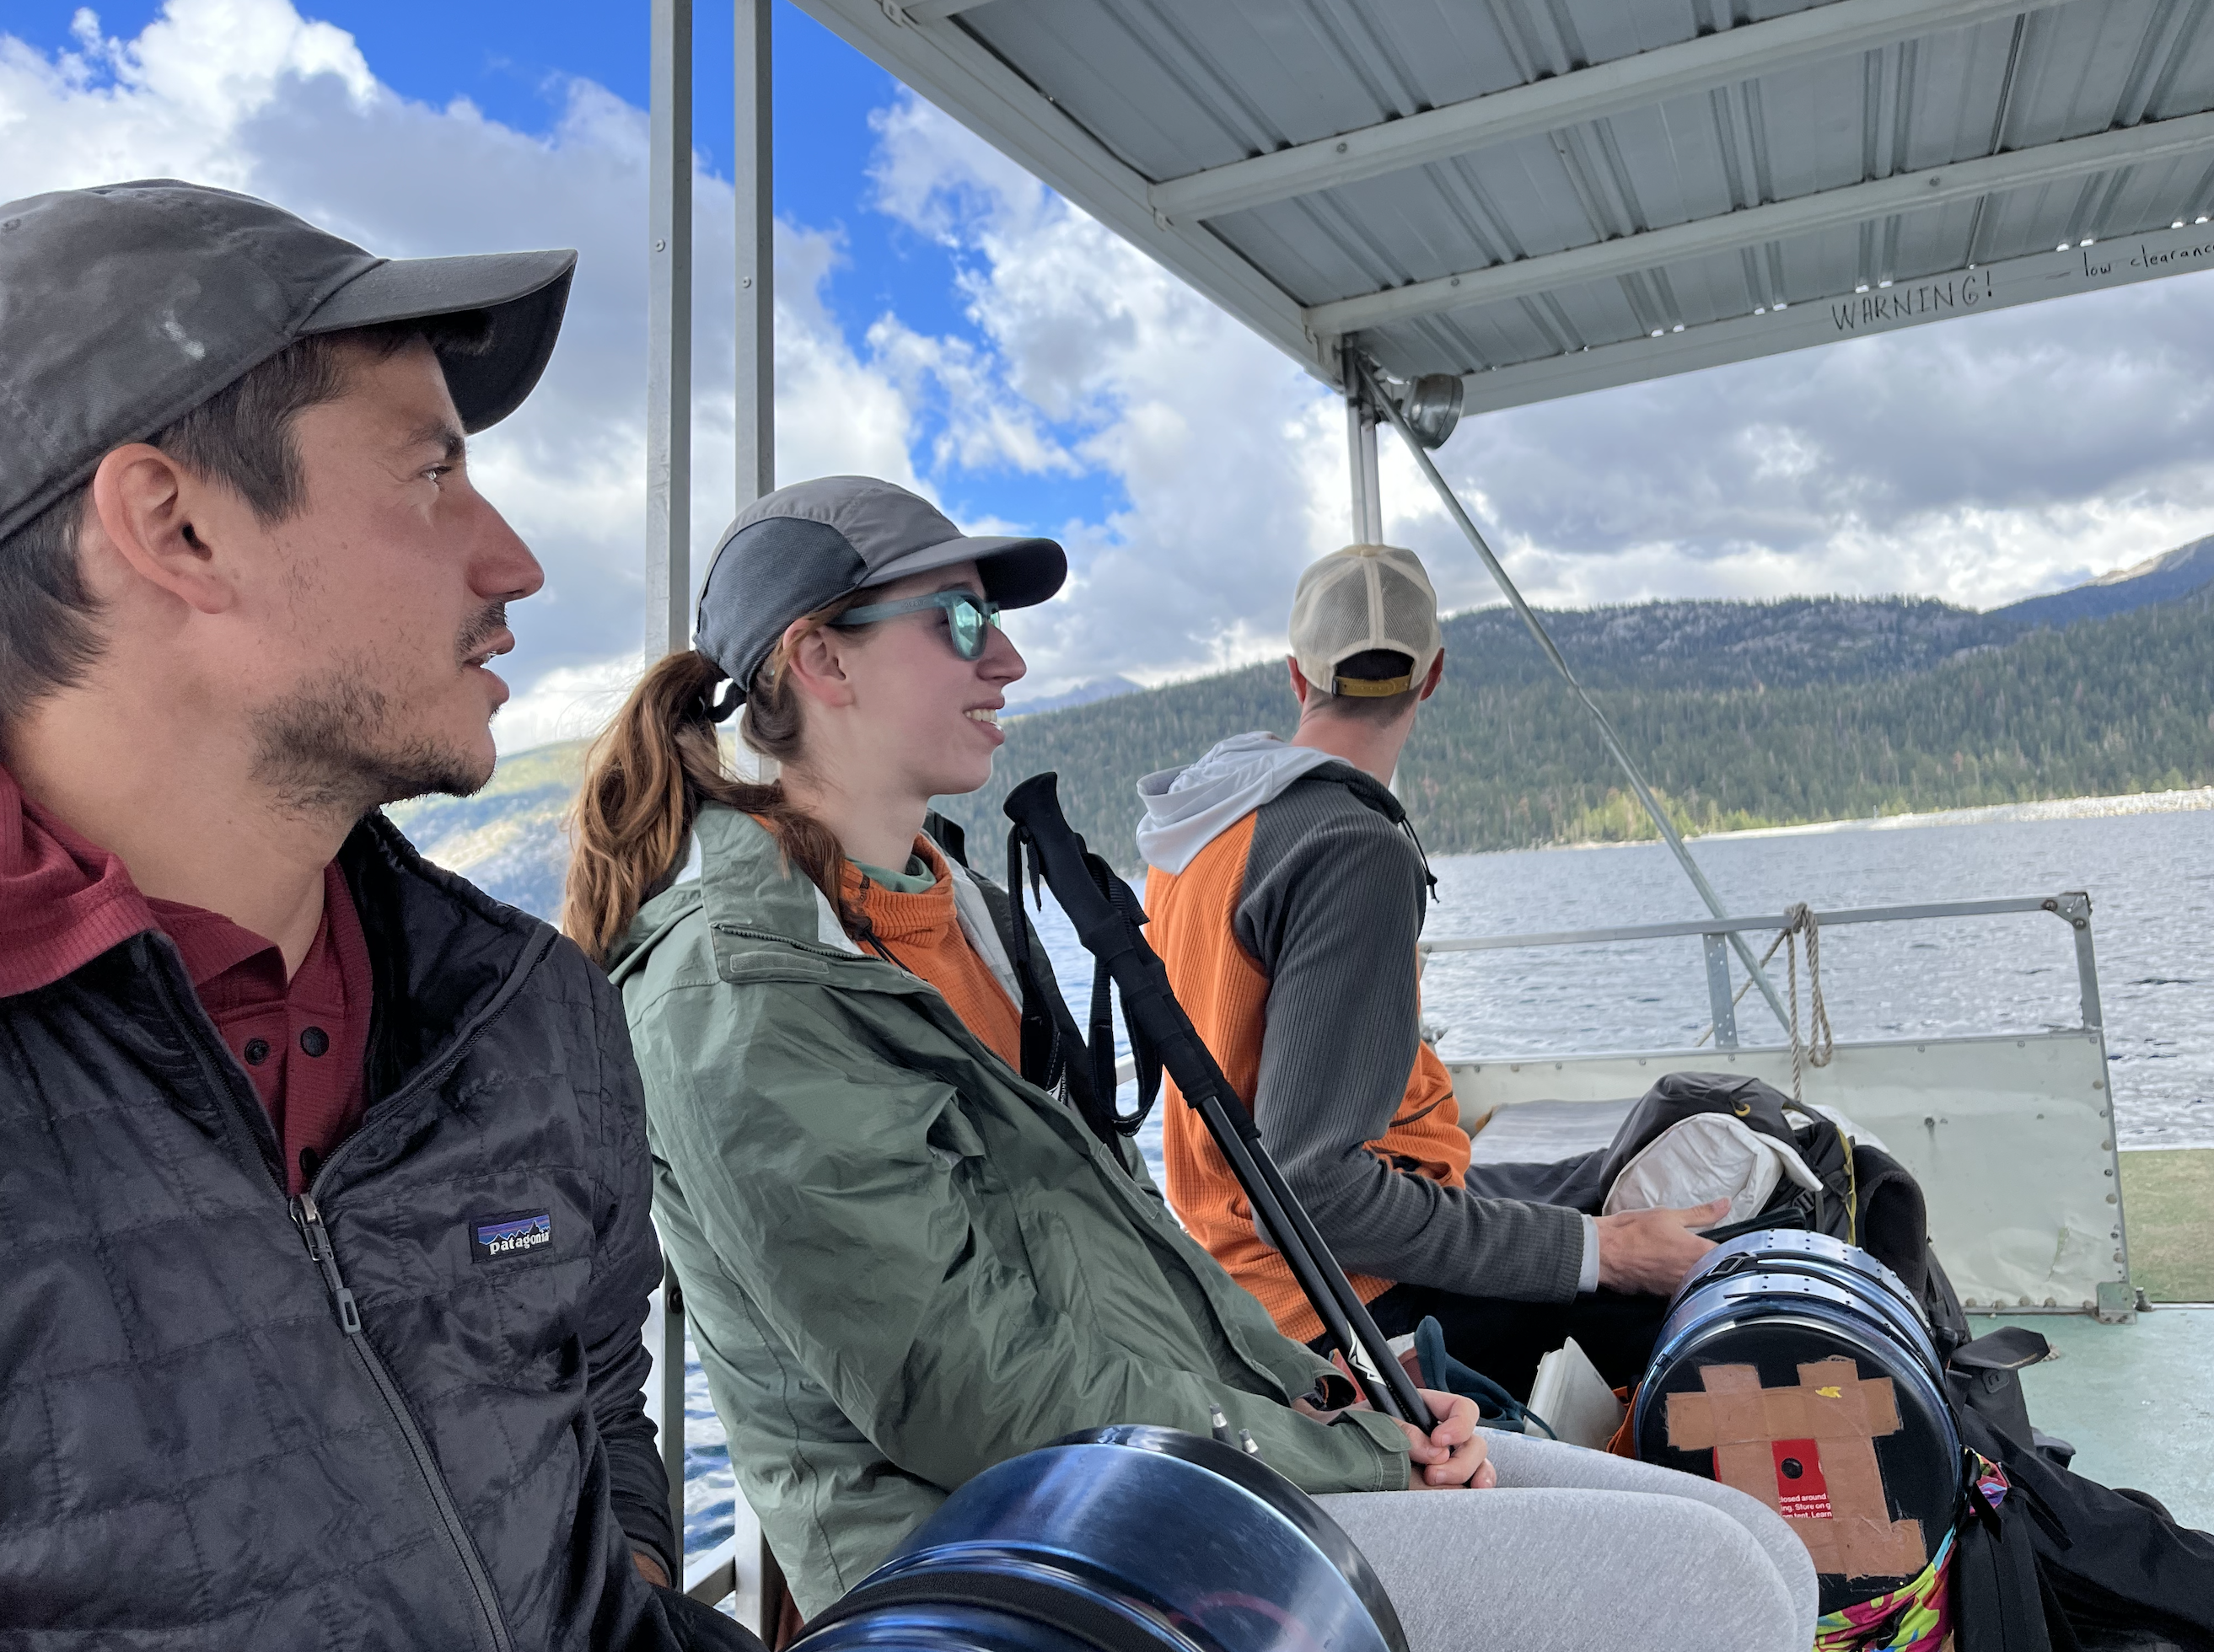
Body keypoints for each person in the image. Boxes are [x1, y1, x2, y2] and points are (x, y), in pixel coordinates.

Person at [568, 476, 1815, 1650]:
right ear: (819, 657)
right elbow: (959, 1386)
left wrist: (1348, 1396)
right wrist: (1348, 1454)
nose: (1005, 659)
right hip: (998, 1548)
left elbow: (1142, 1252)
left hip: (1142, 1468)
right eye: (958, 622)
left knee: (1764, 1549)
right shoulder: (741, 989)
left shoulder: (961, 908)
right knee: (1708, 1593)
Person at [0, 181, 745, 1650]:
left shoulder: (529, 1009)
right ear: (176, 525)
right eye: (431, 474)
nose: (514, 561)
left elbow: (597, 1405)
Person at [1135, 543, 1728, 1399]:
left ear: (1297, 678)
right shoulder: (1348, 847)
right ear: (1435, 674)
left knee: (1611, 1186)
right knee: (1701, 1293)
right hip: (1349, 1300)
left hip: (1245, 1273)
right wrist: (1606, 1253)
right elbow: (1316, 1190)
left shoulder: (1202, 828)